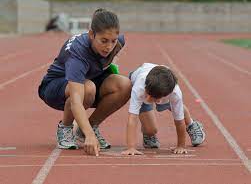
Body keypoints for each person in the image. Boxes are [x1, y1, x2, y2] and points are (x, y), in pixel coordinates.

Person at [38, 8, 131, 156]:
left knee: (124, 85)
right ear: (91, 35)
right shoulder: (77, 53)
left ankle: (88, 127)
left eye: (113, 41)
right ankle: (66, 128)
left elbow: (109, 58)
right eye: (104, 41)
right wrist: (90, 137)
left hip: (90, 80)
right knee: (88, 89)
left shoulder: (118, 42)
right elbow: (76, 100)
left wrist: (87, 131)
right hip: (55, 87)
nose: (109, 46)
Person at [121, 63, 205, 155]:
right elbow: (132, 118)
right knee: (150, 130)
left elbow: (179, 121)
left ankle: (192, 124)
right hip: (145, 79)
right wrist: (131, 147)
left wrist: (181, 146)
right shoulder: (139, 88)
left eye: (154, 98)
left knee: (176, 107)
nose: (149, 99)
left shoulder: (175, 93)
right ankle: (148, 134)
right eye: (149, 95)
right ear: (146, 88)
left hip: (162, 86)